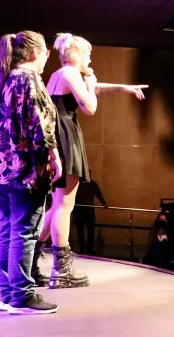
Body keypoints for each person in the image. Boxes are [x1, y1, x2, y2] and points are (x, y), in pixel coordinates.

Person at [37, 33, 146, 288]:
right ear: (77, 55)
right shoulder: (71, 74)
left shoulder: (59, 75)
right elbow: (90, 106)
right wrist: (91, 82)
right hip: (66, 136)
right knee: (64, 205)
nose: (90, 59)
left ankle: (32, 259)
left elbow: (92, 88)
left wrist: (122, 88)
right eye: (88, 54)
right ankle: (61, 271)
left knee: (56, 206)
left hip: (59, 133)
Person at [0, 31, 61, 315]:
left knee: (8, 229)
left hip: (3, 169)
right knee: (25, 231)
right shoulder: (27, 78)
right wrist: (52, 154)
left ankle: (9, 294)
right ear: (35, 53)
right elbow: (37, 122)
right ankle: (21, 296)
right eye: (46, 54)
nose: (46, 60)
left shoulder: (8, 78)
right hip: (24, 168)